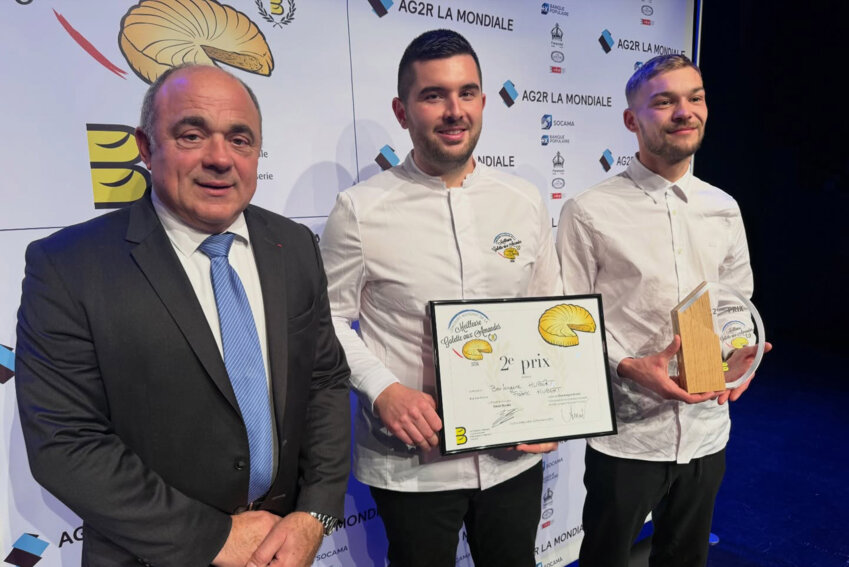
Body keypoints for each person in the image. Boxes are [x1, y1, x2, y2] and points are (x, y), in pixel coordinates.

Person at [15, 64, 350, 567]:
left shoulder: (295, 245)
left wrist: (315, 515)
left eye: (240, 140)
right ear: (146, 148)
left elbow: (324, 380)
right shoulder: (67, 266)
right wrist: (212, 538)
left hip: (283, 548)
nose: (220, 158)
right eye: (192, 135)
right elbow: (66, 443)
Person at [319, 29, 562, 567]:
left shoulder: (522, 200)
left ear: (481, 100)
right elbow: (328, 320)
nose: (455, 111)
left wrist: (553, 406)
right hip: (413, 465)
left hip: (511, 457)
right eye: (434, 96)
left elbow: (549, 310)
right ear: (402, 111)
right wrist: (383, 390)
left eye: (467, 93)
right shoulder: (359, 210)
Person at [556, 54, 772, 567]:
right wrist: (627, 365)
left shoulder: (723, 206)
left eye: (694, 98)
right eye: (664, 101)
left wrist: (742, 347)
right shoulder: (589, 210)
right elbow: (566, 317)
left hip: (706, 431)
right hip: (629, 435)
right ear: (632, 120)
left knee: (685, 558)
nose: (684, 111)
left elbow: (736, 298)